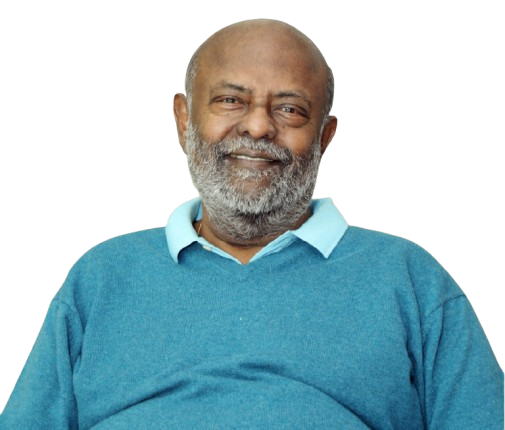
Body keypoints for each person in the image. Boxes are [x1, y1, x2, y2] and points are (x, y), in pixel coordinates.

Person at [2, 18, 503, 429]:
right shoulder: (101, 276)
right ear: (183, 120)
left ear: (325, 137)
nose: (259, 126)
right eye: (230, 100)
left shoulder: (410, 279)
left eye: (290, 109)